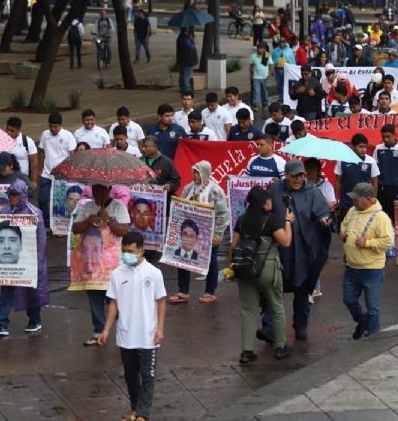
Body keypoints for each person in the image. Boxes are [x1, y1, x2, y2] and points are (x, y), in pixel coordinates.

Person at [97, 232, 166, 421]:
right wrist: (106, 330)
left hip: (148, 336)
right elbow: (113, 304)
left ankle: (143, 413)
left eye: (131, 251)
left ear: (141, 251)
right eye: (124, 251)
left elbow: (161, 302)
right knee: (130, 377)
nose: (126, 254)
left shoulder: (154, 273)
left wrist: (160, 329)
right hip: (125, 336)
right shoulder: (117, 274)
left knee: (148, 376)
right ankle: (135, 409)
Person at [264, 159, 332, 340]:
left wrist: (325, 219)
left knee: (302, 289)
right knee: (272, 288)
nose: (298, 179)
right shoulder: (274, 190)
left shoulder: (313, 192)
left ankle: (301, 325)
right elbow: (264, 211)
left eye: (301, 175)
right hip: (278, 249)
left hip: (304, 250)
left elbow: (323, 213)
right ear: (286, 175)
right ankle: (269, 328)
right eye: (294, 176)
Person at [230, 186, 294, 363]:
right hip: (268, 268)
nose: (271, 202)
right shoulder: (271, 220)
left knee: (247, 310)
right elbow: (286, 241)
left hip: (245, 269)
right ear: (264, 203)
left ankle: (247, 351)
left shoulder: (242, 220)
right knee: (277, 306)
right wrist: (288, 222)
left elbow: (234, 245)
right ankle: (280, 346)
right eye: (269, 200)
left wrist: (232, 268)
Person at [0, 180, 49, 335]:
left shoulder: (34, 213)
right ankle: (2, 323)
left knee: (30, 291)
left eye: (15, 195)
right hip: (10, 262)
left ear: (23, 194)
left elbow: (41, 239)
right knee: (6, 290)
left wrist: (37, 260)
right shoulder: (4, 211)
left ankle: (34, 319)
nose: (12, 197)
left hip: (29, 260)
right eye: (10, 194)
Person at [74, 183, 131, 346]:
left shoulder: (119, 206)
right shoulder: (87, 206)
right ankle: (98, 332)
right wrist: (88, 221)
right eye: (94, 189)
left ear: (108, 190)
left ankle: (126, 329)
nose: (97, 193)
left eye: (100, 189)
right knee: (94, 297)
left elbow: (124, 231)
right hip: (91, 262)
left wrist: (108, 220)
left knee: (114, 299)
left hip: (113, 264)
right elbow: (76, 229)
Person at [171, 161, 230, 305]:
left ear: (206, 173)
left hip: (209, 234)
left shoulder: (215, 190)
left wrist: (218, 234)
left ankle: (210, 291)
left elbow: (223, 214)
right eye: (194, 172)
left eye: (198, 172)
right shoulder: (188, 188)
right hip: (189, 232)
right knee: (183, 259)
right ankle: (183, 291)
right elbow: (180, 206)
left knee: (210, 261)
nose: (195, 175)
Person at [339, 182, 393, 339]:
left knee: (372, 307)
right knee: (348, 299)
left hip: (372, 269)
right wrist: (343, 232)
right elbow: (344, 224)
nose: (354, 201)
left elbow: (388, 241)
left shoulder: (381, 217)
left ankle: (373, 337)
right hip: (351, 267)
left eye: (357, 199)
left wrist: (367, 243)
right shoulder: (352, 211)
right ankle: (362, 320)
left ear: (368, 200)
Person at [39, 112, 77, 228]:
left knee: (60, 201)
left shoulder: (68, 136)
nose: (53, 129)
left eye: (55, 127)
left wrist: (71, 172)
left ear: (61, 125)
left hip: (62, 175)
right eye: (51, 126)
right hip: (46, 173)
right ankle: (46, 225)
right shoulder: (45, 134)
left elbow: (72, 155)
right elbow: (41, 152)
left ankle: (61, 227)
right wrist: (39, 170)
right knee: (43, 199)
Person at [373, 125, 398, 224]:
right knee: (382, 214)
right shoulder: (378, 148)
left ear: (395, 135)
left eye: (388, 136)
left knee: (396, 214)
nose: (385, 139)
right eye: (383, 137)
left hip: (397, 187)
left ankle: (396, 237)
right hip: (382, 187)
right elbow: (374, 169)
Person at [6, 117, 40, 194]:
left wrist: (34, 180)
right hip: (6, 180)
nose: (8, 132)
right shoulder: (2, 141)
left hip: (22, 179)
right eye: (7, 129)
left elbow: (34, 162)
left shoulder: (27, 141)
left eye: (12, 130)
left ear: (18, 130)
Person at [250, 42, 272, 112]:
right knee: (256, 91)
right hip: (256, 78)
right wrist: (251, 76)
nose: (259, 50)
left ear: (264, 49)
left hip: (265, 78)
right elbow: (251, 67)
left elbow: (270, 65)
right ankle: (255, 105)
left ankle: (265, 104)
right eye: (258, 48)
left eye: (261, 48)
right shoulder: (253, 56)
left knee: (265, 92)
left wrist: (270, 73)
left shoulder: (267, 55)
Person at [176, 27, 198, 93]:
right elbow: (190, 47)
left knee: (183, 73)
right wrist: (192, 41)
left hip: (183, 59)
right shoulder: (185, 39)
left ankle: (183, 87)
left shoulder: (181, 37)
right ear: (186, 31)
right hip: (187, 59)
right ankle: (186, 88)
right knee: (187, 74)